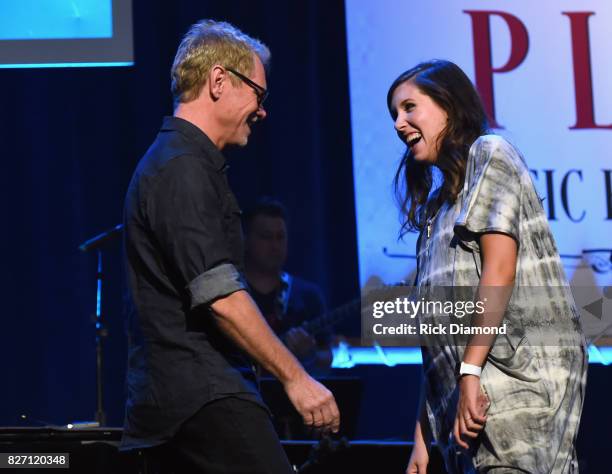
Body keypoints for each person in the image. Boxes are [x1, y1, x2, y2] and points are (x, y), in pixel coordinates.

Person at [121, 19, 339, 474]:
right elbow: (220, 294)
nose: (263, 111)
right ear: (219, 80)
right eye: (259, 95)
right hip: (202, 396)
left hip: (184, 400)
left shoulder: (184, 165)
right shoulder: (180, 168)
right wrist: (297, 379)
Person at [386, 60, 587, 473]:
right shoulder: (436, 210)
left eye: (409, 107)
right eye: (393, 114)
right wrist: (422, 437)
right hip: (465, 411)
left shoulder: (490, 152)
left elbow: (500, 270)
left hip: (514, 392)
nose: (398, 123)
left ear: (448, 105)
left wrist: (471, 372)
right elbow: (441, 333)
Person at [243, 198, 333, 374]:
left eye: (280, 237)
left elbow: (327, 356)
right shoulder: (232, 294)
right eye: (266, 237)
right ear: (245, 239)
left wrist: (310, 355)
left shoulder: (309, 296)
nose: (275, 246)